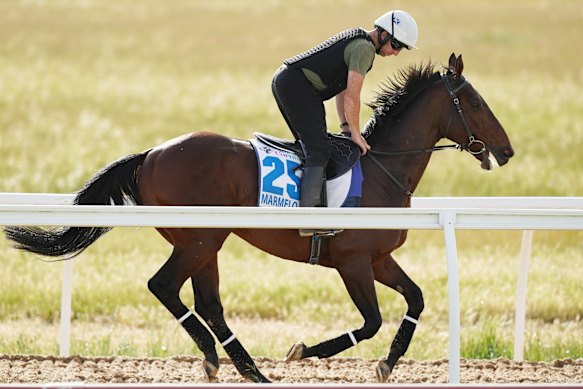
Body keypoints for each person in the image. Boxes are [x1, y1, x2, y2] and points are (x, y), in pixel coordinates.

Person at [271, 10, 418, 214]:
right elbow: (352, 97)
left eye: (401, 49)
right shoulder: (364, 49)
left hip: (288, 81)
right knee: (319, 150)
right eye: (395, 45)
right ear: (383, 34)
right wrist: (357, 135)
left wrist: (346, 127)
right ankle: (309, 217)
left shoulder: (360, 41)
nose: (395, 53)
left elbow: (342, 90)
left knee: (313, 146)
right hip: (296, 87)